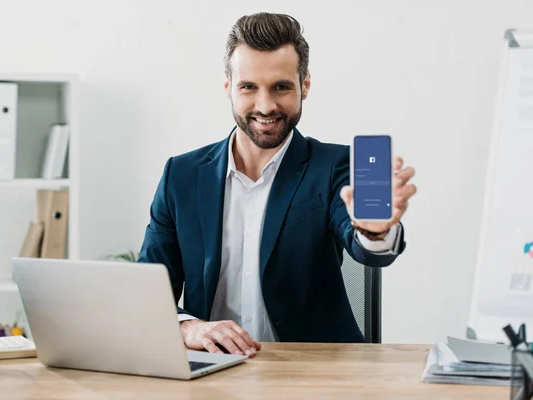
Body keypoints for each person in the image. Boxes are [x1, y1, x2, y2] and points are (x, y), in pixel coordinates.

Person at [138, 12, 417, 358]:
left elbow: (362, 244)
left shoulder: (335, 167)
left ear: (305, 85)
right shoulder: (181, 176)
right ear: (229, 89)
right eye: (249, 87)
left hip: (317, 371)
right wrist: (187, 326)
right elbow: (148, 292)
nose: (265, 105)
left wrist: (373, 233)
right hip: (215, 372)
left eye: (281, 87)